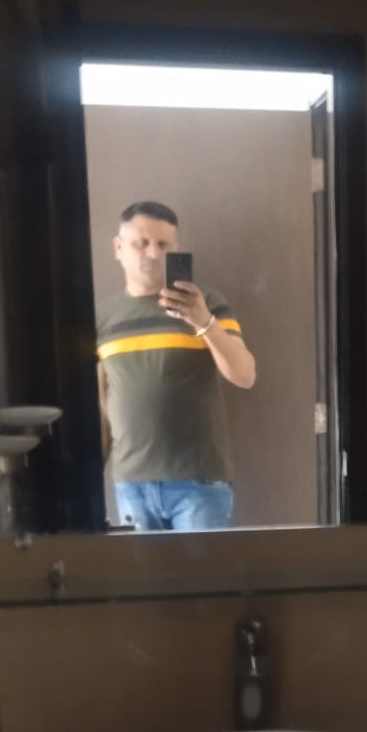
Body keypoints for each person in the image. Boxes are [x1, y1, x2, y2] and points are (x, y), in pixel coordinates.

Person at [96, 200, 256, 531]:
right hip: (131, 484)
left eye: (163, 244)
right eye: (141, 243)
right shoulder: (102, 317)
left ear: (176, 248)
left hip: (199, 483)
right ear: (118, 248)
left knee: (205, 568)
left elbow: (244, 375)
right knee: (141, 569)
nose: (153, 253)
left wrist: (204, 322)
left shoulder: (207, 303)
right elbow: (101, 404)